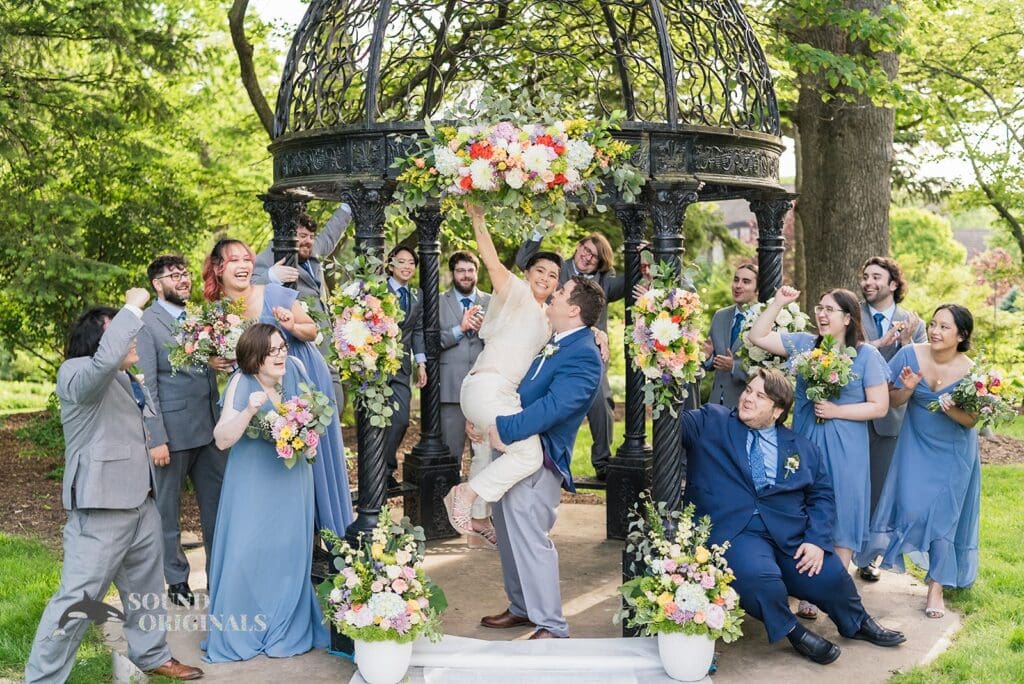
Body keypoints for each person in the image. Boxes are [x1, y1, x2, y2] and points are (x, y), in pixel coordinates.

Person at [24, 290, 204, 682]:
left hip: (141, 502)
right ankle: (43, 677)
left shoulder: (126, 378)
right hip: (100, 508)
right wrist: (132, 307)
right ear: (99, 342)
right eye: (123, 333)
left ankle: (152, 654)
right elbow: (104, 362)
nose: (133, 339)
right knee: (78, 599)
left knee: (146, 593)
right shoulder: (76, 373)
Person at [679, 369, 906, 664]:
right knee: (761, 580)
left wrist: (814, 541)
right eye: (748, 390)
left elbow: (822, 497)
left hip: (789, 535)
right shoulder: (711, 421)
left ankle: (856, 622)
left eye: (760, 396)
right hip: (736, 532)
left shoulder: (801, 447)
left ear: (777, 411)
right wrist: (672, 367)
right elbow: (671, 422)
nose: (748, 398)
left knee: (831, 575)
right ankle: (793, 631)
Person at [748, 285, 889, 620]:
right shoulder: (802, 344)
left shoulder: (866, 355)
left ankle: (831, 589)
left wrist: (837, 411)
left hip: (847, 446)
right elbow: (757, 335)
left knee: (843, 510)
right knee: (802, 507)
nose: (822, 314)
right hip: (805, 440)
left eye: (830, 309)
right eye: (819, 307)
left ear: (848, 318)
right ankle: (805, 586)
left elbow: (880, 406)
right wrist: (779, 302)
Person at [478, 274, 606, 639]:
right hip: (515, 451)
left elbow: (555, 407)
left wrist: (504, 427)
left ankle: (550, 623)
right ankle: (521, 608)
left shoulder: (584, 354)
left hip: (540, 457)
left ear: (574, 309)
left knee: (531, 538)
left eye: (562, 292)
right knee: (508, 531)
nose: (554, 293)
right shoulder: (557, 341)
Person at [202, 239, 352, 537]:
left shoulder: (273, 293)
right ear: (219, 268)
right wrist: (213, 359)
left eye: (247, 259)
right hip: (262, 390)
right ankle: (292, 536)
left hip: (301, 373)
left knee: (315, 459)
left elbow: (311, 330)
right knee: (277, 457)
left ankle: (332, 536)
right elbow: (223, 354)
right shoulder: (217, 314)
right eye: (235, 261)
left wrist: (291, 326)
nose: (244, 266)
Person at [202, 324, 330, 661]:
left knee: (288, 552)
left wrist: (306, 429)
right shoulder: (241, 383)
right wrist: (249, 411)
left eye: (282, 347)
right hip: (252, 482)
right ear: (254, 356)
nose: (280, 354)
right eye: (272, 350)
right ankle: (242, 630)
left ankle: (285, 626)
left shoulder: (296, 372)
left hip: (293, 481)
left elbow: (317, 417)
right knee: (246, 553)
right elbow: (222, 438)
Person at [442, 203, 563, 547]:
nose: (545, 278)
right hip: (487, 385)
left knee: (484, 451)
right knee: (528, 454)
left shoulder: (548, 317)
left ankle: (479, 520)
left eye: (553, 275)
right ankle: (465, 494)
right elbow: (492, 262)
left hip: (498, 393)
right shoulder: (517, 293)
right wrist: (477, 219)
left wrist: (598, 335)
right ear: (528, 273)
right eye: (540, 270)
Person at [857, 305, 980, 619]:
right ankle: (876, 555)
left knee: (944, 518)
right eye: (934, 324)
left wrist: (949, 408)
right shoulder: (910, 355)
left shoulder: (970, 371)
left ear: (961, 335)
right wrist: (908, 389)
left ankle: (935, 587)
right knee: (909, 505)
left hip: (954, 453)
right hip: (915, 446)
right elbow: (890, 399)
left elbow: (971, 421)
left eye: (945, 327)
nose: (936, 332)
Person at [136, 255, 227, 609]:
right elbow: (147, 387)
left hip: (209, 431)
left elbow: (198, 368)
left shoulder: (198, 318)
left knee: (217, 507)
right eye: (174, 275)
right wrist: (155, 437)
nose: (183, 280)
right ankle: (176, 580)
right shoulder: (147, 324)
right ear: (157, 284)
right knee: (168, 511)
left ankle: (220, 575)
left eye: (185, 273)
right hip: (171, 436)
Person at [516, 232, 623, 480]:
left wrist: (645, 255)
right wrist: (540, 229)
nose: (587, 257)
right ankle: (538, 455)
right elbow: (524, 262)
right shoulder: (557, 268)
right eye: (585, 249)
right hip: (547, 344)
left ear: (600, 262)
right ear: (578, 247)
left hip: (583, 353)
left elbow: (629, 283)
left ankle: (602, 461)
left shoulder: (605, 281)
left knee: (602, 403)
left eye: (594, 256)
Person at [857, 256, 926, 581]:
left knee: (882, 489)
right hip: (853, 414)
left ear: (893, 284)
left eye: (875, 277)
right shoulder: (851, 313)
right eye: (865, 276)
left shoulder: (914, 323)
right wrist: (880, 343)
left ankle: (870, 557)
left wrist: (907, 342)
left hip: (892, 417)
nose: (868, 282)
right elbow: (840, 352)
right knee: (852, 485)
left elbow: (921, 370)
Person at [253, 204, 351, 405]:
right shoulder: (270, 256)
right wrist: (271, 276)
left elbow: (332, 232)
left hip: (325, 346)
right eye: (301, 235)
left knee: (336, 403)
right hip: (296, 348)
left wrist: (347, 205)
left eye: (310, 236)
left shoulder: (311, 252)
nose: (307, 241)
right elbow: (249, 287)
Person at [438, 250, 492, 541]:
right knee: (452, 453)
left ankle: (481, 517)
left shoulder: (491, 302)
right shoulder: (439, 302)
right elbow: (431, 339)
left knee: (485, 455)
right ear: (453, 274)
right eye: (460, 271)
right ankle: (451, 519)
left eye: (470, 270)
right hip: (451, 388)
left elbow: (501, 340)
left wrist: (486, 330)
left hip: (485, 391)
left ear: (477, 272)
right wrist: (459, 329)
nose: (466, 275)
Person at [382, 244, 427, 490]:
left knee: (400, 420)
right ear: (391, 264)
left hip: (402, 365)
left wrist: (421, 362)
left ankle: (386, 466)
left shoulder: (417, 295)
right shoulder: (377, 289)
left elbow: (417, 330)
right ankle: (379, 472)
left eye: (411, 263)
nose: (407, 266)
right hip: (375, 364)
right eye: (402, 261)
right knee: (374, 421)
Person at [703, 263, 759, 407]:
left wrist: (734, 366)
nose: (738, 285)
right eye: (736, 280)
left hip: (746, 405)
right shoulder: (720, 316)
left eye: (746, 282)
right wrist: (707, 356)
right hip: (716, 404)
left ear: (757, 289)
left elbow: (766, 369)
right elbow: (712, 362)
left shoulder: (764, 320)